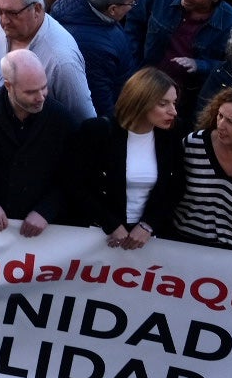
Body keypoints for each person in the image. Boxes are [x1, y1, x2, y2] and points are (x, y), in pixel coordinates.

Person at [70, 66, 187, 245]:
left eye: (174, 102)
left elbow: (176, 186)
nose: (173, 111)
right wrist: (111, 224)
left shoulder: (172, 132)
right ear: (140, 102)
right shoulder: (97, 131)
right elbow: (75, 184)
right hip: (98, 235)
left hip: (149, 237)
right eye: (163, 104)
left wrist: (149, 224)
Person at [0, 49, 78, 235]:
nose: (41, 97)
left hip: (44, 233)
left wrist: (46, 211)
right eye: (30, 92)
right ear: (8, 85)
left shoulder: (62, 120)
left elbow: (73, 176)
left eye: (44, 87)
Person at [125, 0, 232, 122]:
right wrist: (132, 65)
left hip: (186, 100)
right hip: (142, 83)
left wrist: (200, 65)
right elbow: (133, 23)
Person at [170, 86, 232, 251]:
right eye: (220, 116)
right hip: (183, 244)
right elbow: (168, 192)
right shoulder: (194, 144)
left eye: (231, 122)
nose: (221, 125)